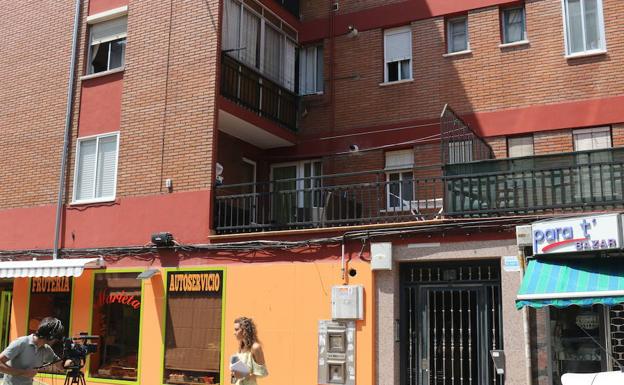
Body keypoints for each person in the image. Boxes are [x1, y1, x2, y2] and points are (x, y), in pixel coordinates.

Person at [0, 317, 68, 385]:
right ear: (51, 336)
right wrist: (23, 372)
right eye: (56, 338)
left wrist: (71, 360)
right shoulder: (21, 343)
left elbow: (61, 366)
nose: (56, 341)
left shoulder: (46, 349)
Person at [231, 317, 268, 385]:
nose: (234, 333)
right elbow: (234, 377)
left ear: (244, 331)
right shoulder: (241, 347)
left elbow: (263, 373)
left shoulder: (255, 347)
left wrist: (244, 374)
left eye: (236, 330)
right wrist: (234, 374)